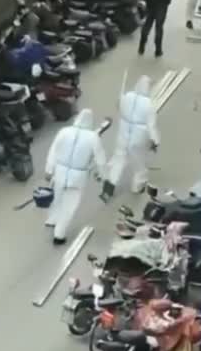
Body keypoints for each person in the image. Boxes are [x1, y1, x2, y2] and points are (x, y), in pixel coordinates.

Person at [44, 109, 106, 245]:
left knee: (57, 196)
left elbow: (53, 150)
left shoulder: (64, 131)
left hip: (60, 172)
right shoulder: (93, 137)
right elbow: (100, 159)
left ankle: (52, 219)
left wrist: (49, 169)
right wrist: (102, 174)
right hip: (78, 176)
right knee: (69, 205)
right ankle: (59, 234)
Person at [103, 76, 159, 199]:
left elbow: (118, 106)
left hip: (123, 132)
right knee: (139, 163)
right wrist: (155, 141)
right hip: (138, 136)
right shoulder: (150, 104)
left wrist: (121, 100)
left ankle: (110, 185)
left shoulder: (127, 96)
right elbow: (151, 125)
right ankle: (137, 186)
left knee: (119, 159)